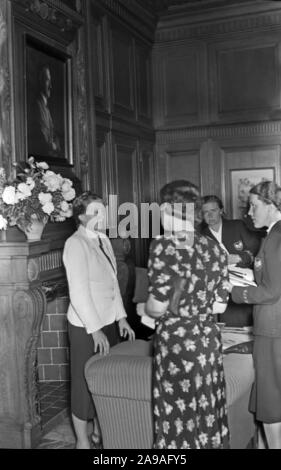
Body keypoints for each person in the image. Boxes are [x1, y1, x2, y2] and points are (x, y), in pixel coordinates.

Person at [145, 180, 230, 449]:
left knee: (177, 417)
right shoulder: (214, 247)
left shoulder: (164, 246)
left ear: (169, 208)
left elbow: (157, 307)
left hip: (178, 345)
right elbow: (219, 306)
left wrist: (145, 308)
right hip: (208, 340)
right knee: (208, 412)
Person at [63, 191, 135, 449]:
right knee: (83, 384)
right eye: (96, 212)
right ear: (82, 217)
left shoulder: (103, 238)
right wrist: (95, 331)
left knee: (104, 381)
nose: (102, 215)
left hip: (107, 322)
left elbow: (112, 284)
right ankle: (83, 441)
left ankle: (99, 434)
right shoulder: (75, 243)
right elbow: (79, 292)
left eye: (103, 210)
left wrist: (121, 318)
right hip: (86, 327)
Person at [225, 181, 281, 449]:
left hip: (273, 329)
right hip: (274, 327)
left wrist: (234, 291)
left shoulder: (276, 238)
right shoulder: (272, 236)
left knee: (271, 403)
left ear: (271, 205)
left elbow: (272, 291)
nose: (249, 212)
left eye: (255, 206)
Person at [200, 195, 261, 326]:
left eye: (213, 210)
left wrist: (239, 258)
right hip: (219, 291)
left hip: (245, 285)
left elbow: (257, 250)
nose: (210, 215)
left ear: (221, 210)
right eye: (206, 212)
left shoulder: (237, 226)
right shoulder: (201, 235)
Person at [33, 65, 61, 157]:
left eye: (50, 81)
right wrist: (53, 146)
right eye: (47, 80)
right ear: (40, 81)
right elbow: (44, 141)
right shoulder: (37, 106)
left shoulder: (46, 108)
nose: (51, 86)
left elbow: (54, 136)